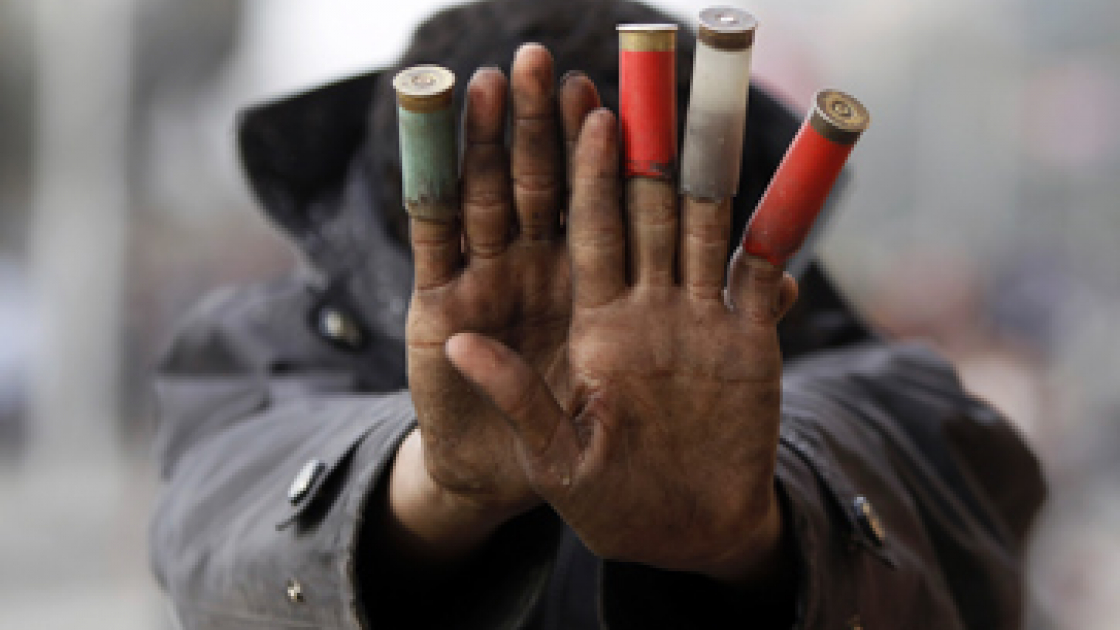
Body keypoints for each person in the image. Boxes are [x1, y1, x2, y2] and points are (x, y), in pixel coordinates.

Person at [149, 0, 1045, 628]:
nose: (584, 359)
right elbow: (216, 528)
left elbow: (943, 506)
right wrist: (429, 486)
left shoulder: (870, 382)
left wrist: (761, 527)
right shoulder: (259, 347)